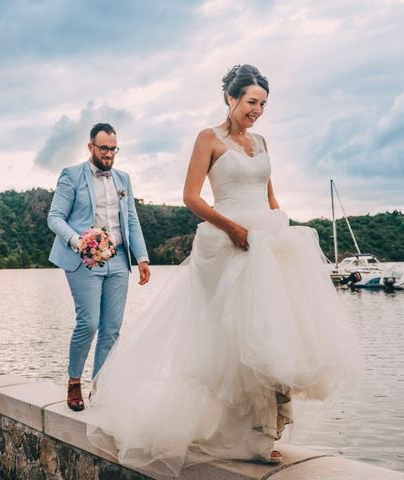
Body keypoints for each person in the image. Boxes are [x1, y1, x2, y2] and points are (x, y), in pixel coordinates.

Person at [86, 65, 359, 477]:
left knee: (278, 334)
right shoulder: (208, 139)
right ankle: (247, 434)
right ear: (231, 99)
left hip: (267, 241)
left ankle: (263, 433)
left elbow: (268, 195)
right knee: (236, 340)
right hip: (227, 241)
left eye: (264, 104)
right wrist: (231, 227)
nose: (258, 111)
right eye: (252, 102)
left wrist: (280, 231)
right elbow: (190, 197)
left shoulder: (262, 140)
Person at [47, 123, 151, 412]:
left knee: (112, 329)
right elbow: (54, 218)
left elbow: (131, 220)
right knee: (89, 322)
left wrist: (141, 258)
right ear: (90, 146)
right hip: (84, 258)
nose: (108, 154)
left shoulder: (124, 180)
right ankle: (73, 382)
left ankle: (101, 387)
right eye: (103, 148)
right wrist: (77, 241)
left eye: (113, 149)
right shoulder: (71, 175)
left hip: (118, 260)